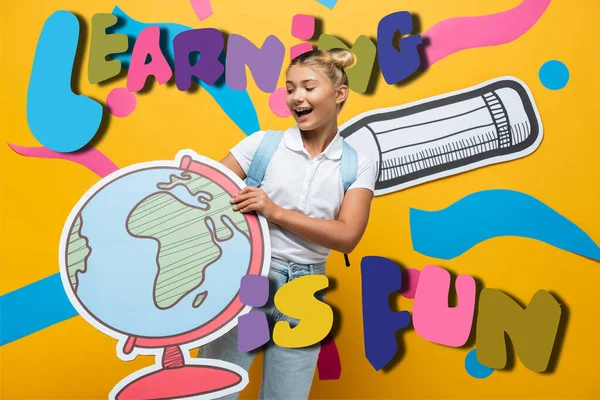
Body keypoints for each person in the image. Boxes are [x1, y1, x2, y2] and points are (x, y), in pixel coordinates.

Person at [198, 48, 377, 399]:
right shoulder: (262, 145)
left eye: (309, 87)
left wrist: (273, 211)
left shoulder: (358, 163)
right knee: (215, 390)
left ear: (339, 94)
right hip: (251, 282)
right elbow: (204, 195)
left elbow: (347, 236)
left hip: (306, 294)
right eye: (290, 88)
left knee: (287, 395)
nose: (297, 97)